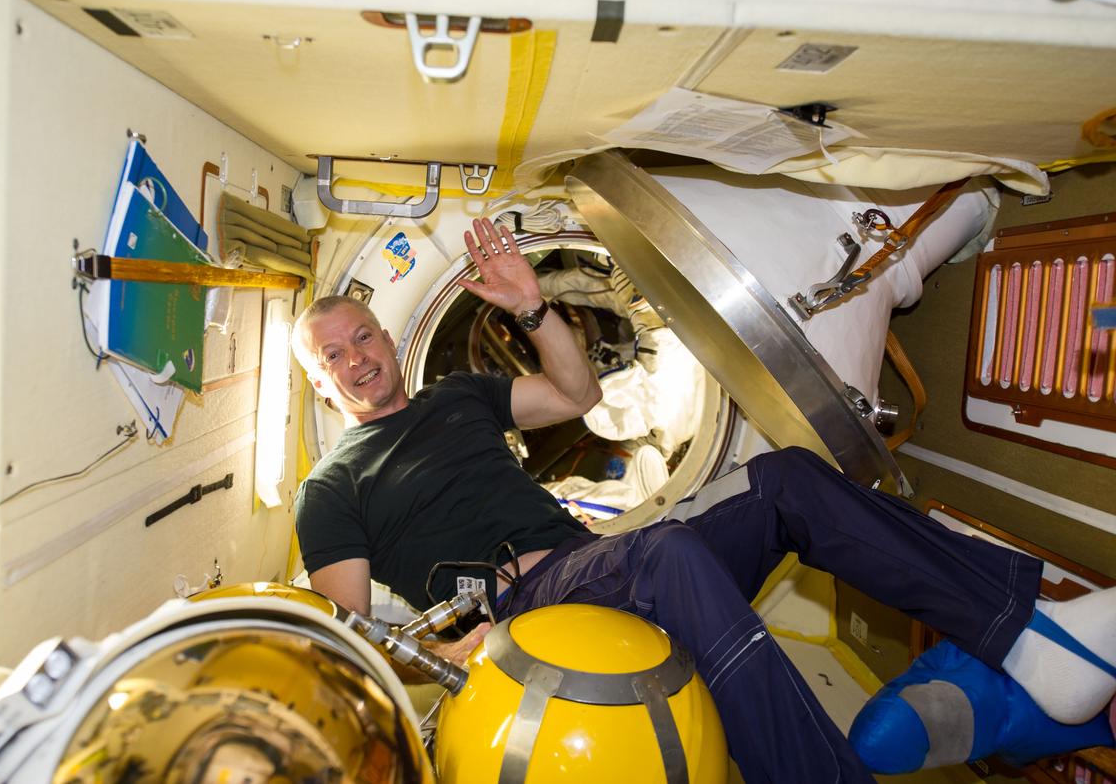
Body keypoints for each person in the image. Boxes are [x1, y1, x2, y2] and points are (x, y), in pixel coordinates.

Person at [292, 217, 1116, 782]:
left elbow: (576, 395)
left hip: (594, 562)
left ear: (387, 338)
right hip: (530, 612)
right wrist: (463, 651)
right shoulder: (332, 488)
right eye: (333, 356)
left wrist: (533, 306)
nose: (356, 357)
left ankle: (1024, 638)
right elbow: (355, 639)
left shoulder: (456, 397)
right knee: (667, 552)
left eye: (363, 335)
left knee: (787, 477)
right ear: (322, 386)